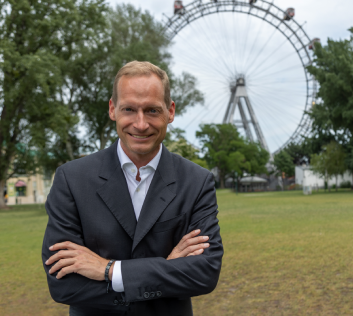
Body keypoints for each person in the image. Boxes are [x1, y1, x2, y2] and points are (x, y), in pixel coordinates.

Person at [42, 61, 223, 316]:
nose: (140, 124)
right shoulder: (71, 180)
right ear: (112, 109)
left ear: (170, 112)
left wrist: (108, 270)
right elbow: (64, 285)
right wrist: (166, 269)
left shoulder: (196, 181)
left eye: (152, 110)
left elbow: (204, 273)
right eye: (129, 109)